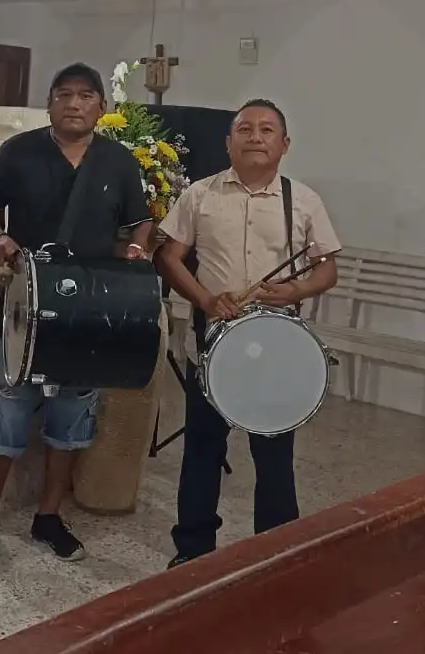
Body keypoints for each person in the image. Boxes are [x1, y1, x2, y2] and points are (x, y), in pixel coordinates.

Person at [0, 62, 155, 575]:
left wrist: (137, 250)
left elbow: (141, 222)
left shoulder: (117, 162)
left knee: (71, 422)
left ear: (101, 107)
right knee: (1, 416)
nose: (74, 103)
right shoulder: (20, 152)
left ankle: (49, 517)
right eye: (64, 94)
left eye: (85, 95)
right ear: (49, 103)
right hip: (23, 304)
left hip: (89, 313)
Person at [154, 98, 342, 569]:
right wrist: (204, 299)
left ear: (284, 144)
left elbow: (327, 269)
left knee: (275, 454)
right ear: (228, 141)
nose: (255, 137)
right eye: (245, 129)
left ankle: (274, 553)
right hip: (214, 344)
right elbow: (170, 257)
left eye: (266, 130)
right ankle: (192, 551)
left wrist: (294, 289)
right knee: (202, 449)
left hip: (277, 347)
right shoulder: (200, 194)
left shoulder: (303, 200)